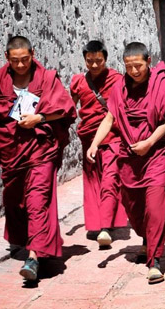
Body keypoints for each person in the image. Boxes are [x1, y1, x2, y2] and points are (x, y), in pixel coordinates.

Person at [87, 42, 165, 284]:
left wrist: (149, 142)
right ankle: (146, 238)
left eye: (138, 65)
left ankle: (155, 261)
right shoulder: (120, 87)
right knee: (134, 207)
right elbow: (110, 117)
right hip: (129, 156)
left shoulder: (161, 83)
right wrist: (94, 144)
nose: (134, 71)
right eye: (129, 67)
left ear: (148, 61)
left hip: (155, 154)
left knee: (154, 208)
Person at [0, 36, 77, 282]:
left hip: (41, 148)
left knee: (38, 199)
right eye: (15, 61)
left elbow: (65, 109)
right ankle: (42, 243)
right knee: (17, 201)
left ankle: (34, 257)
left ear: (33, 54)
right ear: (7, 58)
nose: (21, 65)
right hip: (12, 150)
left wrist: (39, 119)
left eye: (25, 59)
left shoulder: (47, 79)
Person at [69, 41, 128, 247]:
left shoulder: (117, 79)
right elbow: (70, 107)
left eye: (98, 61)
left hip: (113, 136)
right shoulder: (78, 81)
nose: (94, 66)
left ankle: (105, 226)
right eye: (89, 61)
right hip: (88, 136)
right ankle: (97, 223)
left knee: (110, 179)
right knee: (93, 181)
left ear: (106, 59)